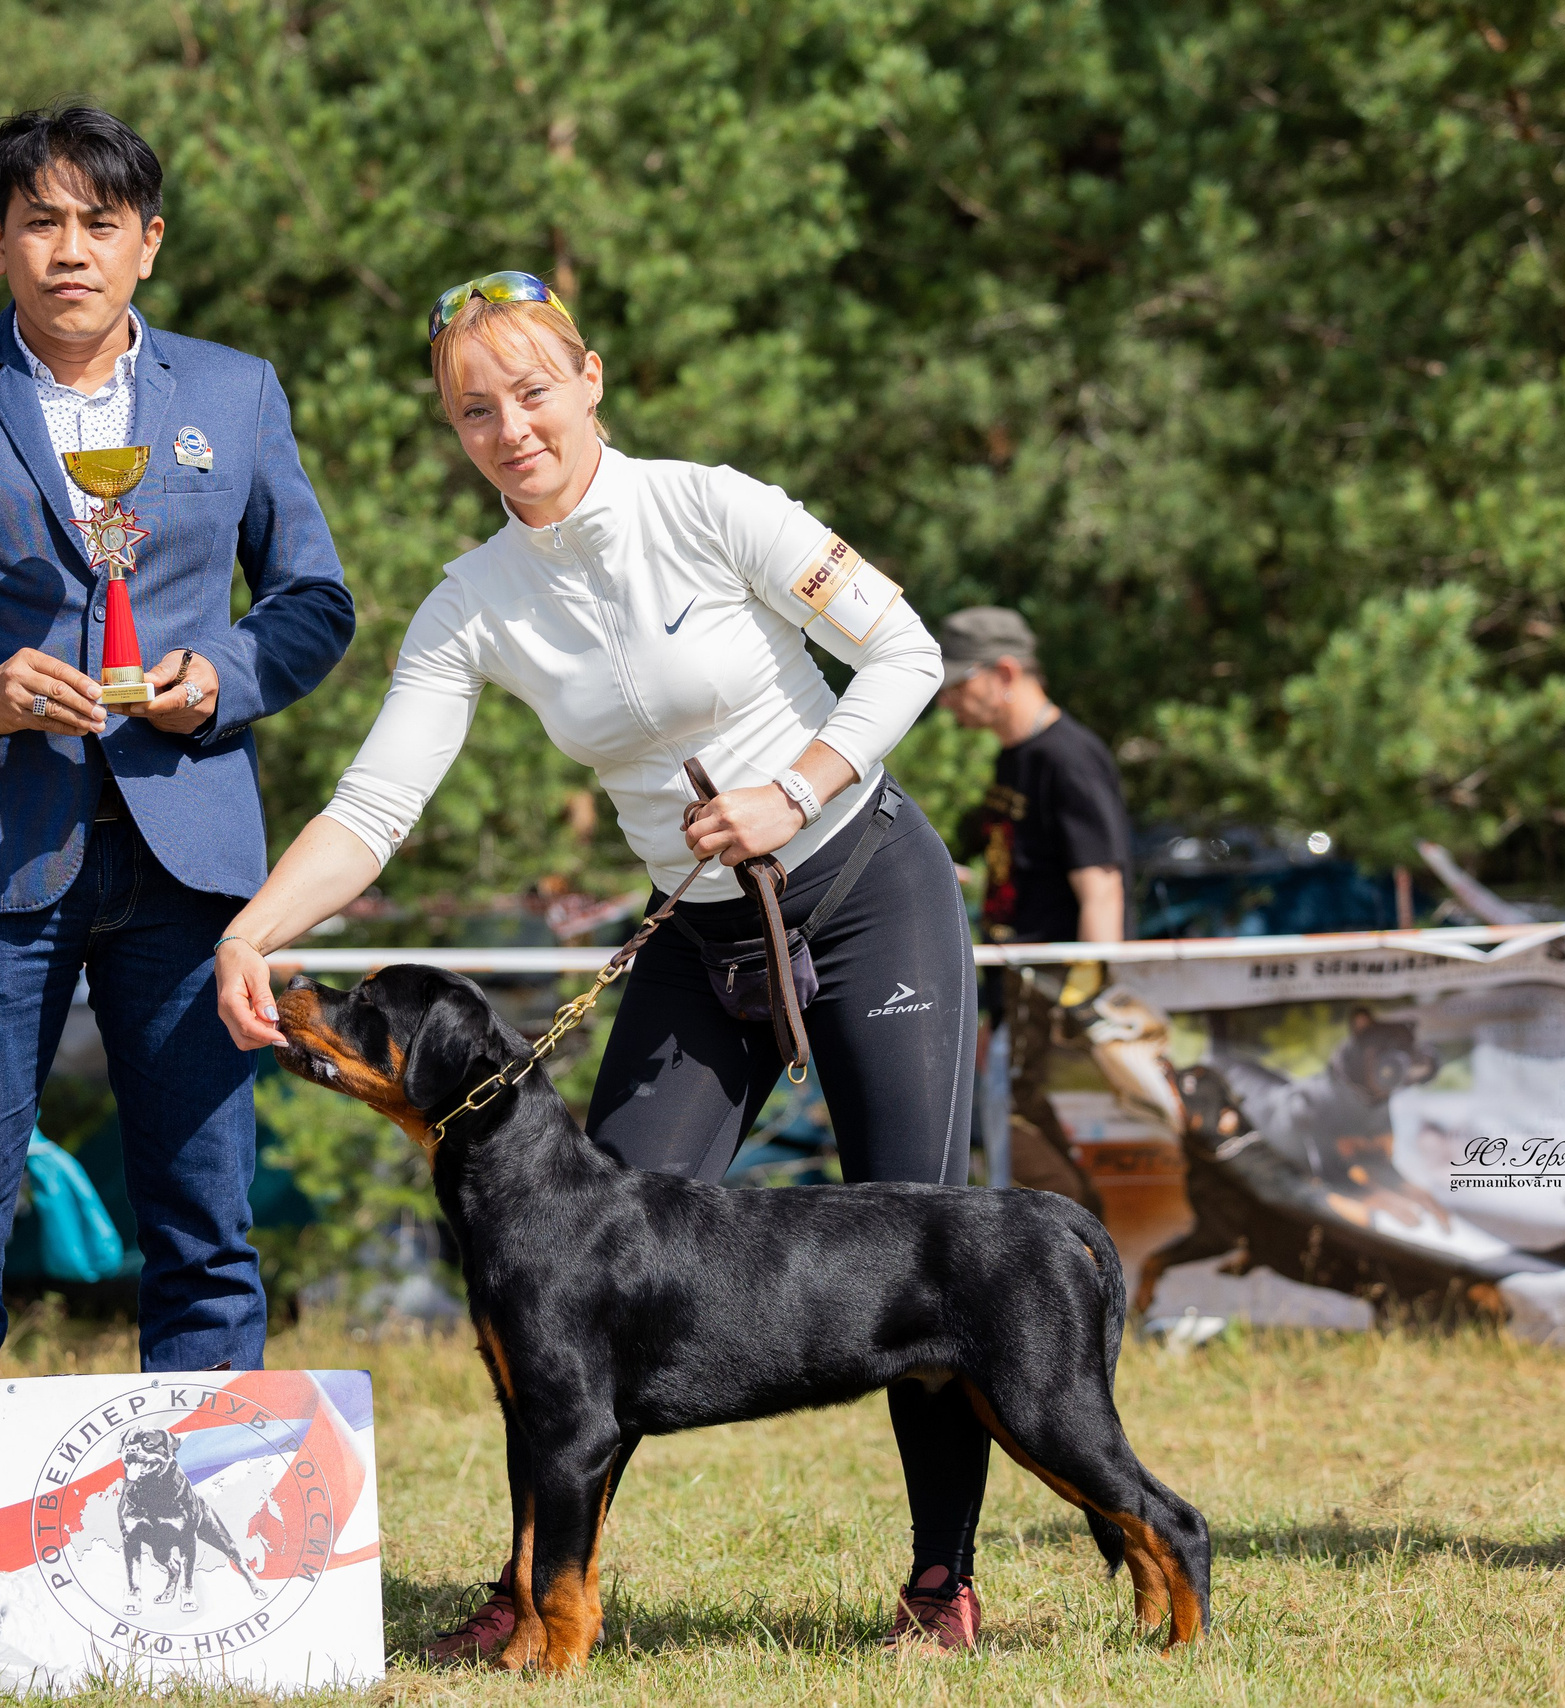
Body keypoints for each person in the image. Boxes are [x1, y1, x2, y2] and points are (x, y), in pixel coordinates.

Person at [211, 273, 987, 1653]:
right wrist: (255, 931)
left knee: (918, 1242)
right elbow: (376, 810)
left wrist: (792, 791)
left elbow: (906, 652)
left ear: (591, 379)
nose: (511, 427)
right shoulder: (473, 601)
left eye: (531, 391)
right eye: (474, 410)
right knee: (570, 1254)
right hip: (698, 933)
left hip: (868, 884)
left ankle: (941, 1586)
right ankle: (536, 1594)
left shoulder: (713, 502)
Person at [0, 105, 355, 1383]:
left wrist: (219, 677)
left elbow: (317, 605)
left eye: (100, 224)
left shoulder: (234, 390)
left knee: (208, 1228)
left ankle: (220, 1557)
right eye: (39, 221)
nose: (69, 250)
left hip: (193, 863)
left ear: (147, 244)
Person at [937, 607, 1133, 1212]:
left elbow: (1102, 885)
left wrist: (1090, 1000)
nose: (947, 705)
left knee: (1040, 1145)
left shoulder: (1066, 757)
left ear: (1003, 673)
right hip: (1015, 993)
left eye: (957, 686)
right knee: (1012, 1137)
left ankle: (1091, 1260)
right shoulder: (1014, 758)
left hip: (1056, 998)